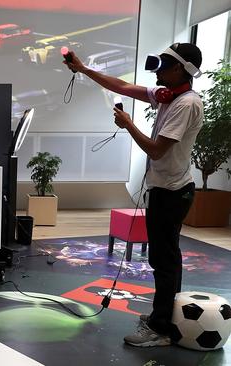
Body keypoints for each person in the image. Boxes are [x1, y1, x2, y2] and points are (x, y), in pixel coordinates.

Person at [64, 43, 203, 347]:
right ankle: (165, 315)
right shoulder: (169, 96)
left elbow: (156, 149)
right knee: (168, 259)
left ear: (182, 69)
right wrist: (84, 69)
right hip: (167, 189)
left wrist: (128, 124)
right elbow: (124, 86)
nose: (159, 68)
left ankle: (161, 328)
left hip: (171, 193)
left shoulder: (186, 104)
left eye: (165, 64)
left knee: (163, 261)